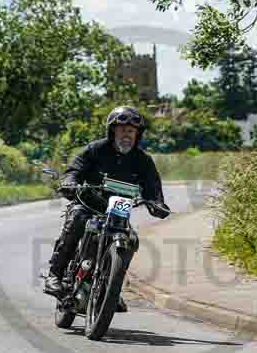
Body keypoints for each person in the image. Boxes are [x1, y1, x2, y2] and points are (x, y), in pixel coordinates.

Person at [44, 106, 171, 312]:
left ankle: (112, 290)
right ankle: (55, 275)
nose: (126, 135)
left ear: (137, 135)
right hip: (89, 203)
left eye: (131, 131)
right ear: (112, 131)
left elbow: (152, 188)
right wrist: (69, 182)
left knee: (131, 240)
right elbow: (75, 169)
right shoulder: (95, 149)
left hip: (118, 212)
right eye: (122, 130)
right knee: (76, 218)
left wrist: (158, 204)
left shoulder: (143, 160)